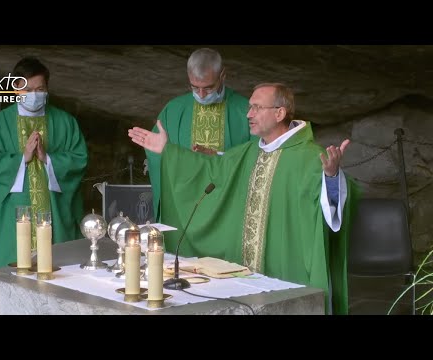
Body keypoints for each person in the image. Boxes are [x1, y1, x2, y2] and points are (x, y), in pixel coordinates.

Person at [129, 83, 359, 315]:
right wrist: (168, 150)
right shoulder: (248, 152)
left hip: (289, 267)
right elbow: (211, 170)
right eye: (249, 107)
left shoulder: (310, 157)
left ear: (279, 113)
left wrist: (331, 176)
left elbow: (330, 214)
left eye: (257, 108)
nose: (249, 114)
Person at [0, 56, 88, 269]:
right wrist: (22, 159)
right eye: (28, 89)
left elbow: (79, 159)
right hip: (12, 218)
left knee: (59, 281)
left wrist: (49, 159)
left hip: (56, 214)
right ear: (16, 88)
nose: (35, 95)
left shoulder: (65, 122)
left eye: (40, 89)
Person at [146, 48, 253, 221]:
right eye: (195, 87)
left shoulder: (246, 110)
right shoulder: (174, 110)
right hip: (184, 204)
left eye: (209, 88)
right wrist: (164, 152)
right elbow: (156, 154)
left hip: (229, 204)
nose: (201, 95)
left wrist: (219, 156)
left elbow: (260, 155)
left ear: (222, 76)